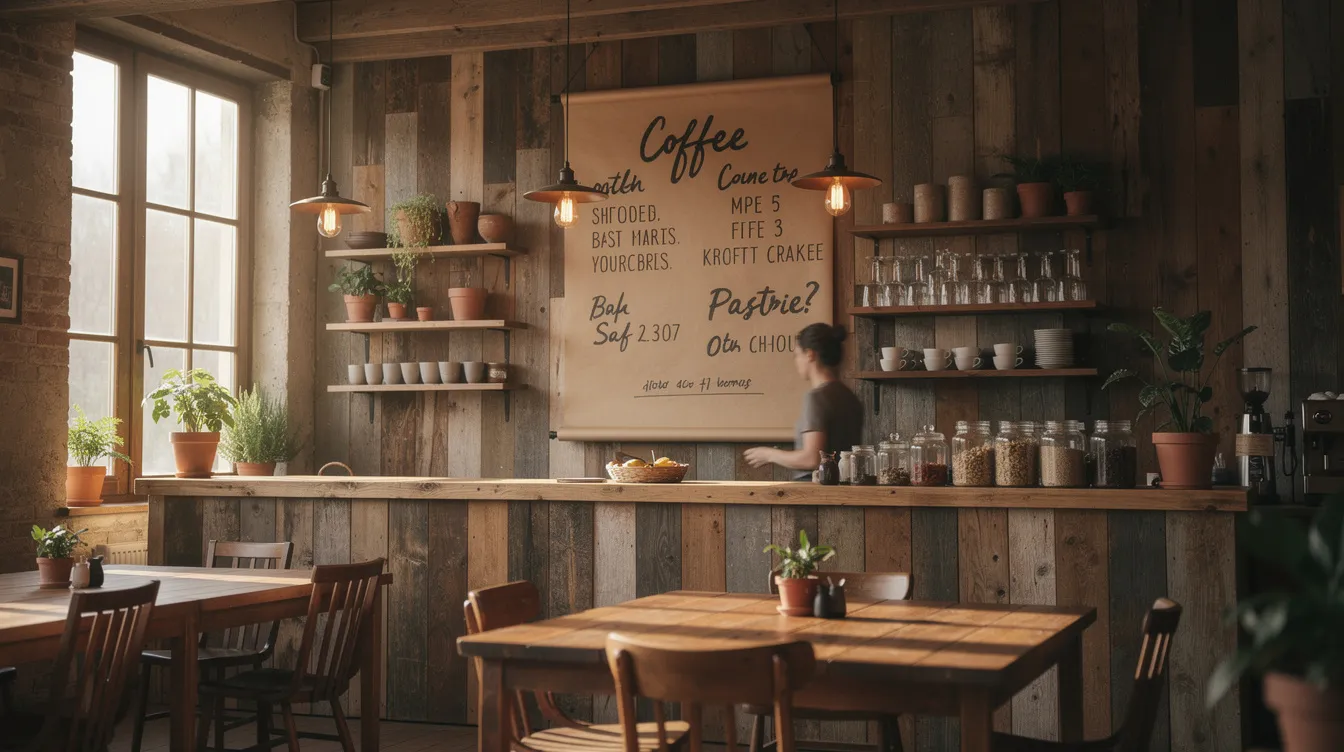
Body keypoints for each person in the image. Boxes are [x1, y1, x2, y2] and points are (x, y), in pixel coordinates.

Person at [743, 323, 863, 479]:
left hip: (815, 492)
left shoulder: (817, 397)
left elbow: (812, 458)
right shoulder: (849, 396)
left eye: (797, 354)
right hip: (844, 490)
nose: (796, 361)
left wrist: (769, 454)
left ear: (810, 354)